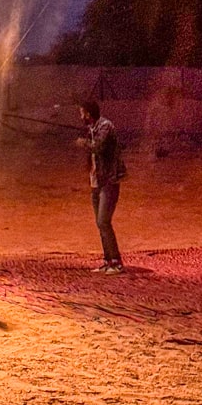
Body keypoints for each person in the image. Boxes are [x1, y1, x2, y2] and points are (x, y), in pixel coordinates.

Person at [76, 99, 127, 274]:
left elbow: (98, 147)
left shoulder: (105, 126)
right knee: (101, 224)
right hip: (96, 182)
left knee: (103, 221)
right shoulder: (92, 129)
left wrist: (84, 142)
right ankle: (107, 260)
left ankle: (116, 261)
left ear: (89, 113)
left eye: (82, 112)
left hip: (108, 181)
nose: (81, 116)